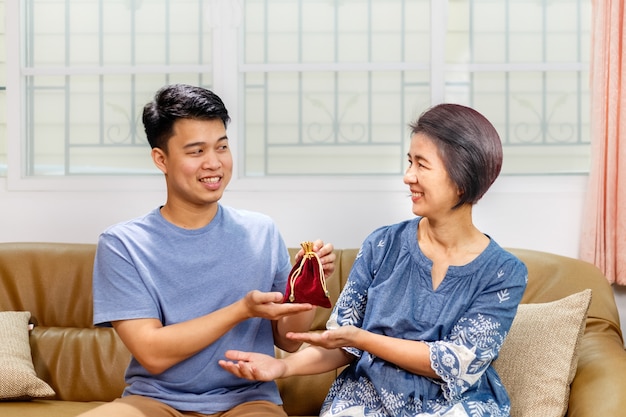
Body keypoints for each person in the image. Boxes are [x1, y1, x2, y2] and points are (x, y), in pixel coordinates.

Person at [219, 103, 529, 417]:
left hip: (454, 406)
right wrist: (280, 367)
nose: (408, 177)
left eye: (422, 165)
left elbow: (455, 362)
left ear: (462, 178)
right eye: (410, 162)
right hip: (366, 400)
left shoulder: (504, 273)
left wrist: (364, 339)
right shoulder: (382, 245)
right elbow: (342, 342)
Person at [79, 83, 336, 417]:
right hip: (155, 401)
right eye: (196, 151)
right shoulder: (123, 244)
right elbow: (153, 353)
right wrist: (242, 309)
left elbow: (288, 340)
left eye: (222, 147)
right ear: (161, 159)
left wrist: (308, 282)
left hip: (249, 400)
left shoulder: (260, 231)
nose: (214, 163)